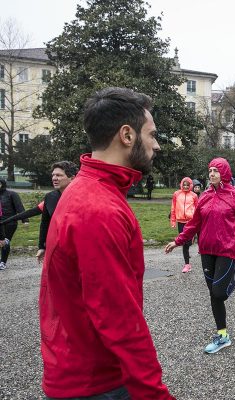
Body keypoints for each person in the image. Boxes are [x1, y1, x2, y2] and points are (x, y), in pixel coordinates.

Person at [40, 87, 174, 398]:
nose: (156, 144)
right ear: (127, 135)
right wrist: (155, 394)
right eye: (151, 134)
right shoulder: (98, 209)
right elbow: (118, 317)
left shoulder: (87, 191)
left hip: (79, 369)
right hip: (96, 383)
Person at [165, 157, 235, 354]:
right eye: (210, 170)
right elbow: (193, 224)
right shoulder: (204, 197)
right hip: (206, 250)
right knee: (214, 296)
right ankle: (222, 336)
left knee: (219, 293)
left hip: (227, 250)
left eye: (216, 170)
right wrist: (178, 241)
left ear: (224, 172)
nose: (212, 173)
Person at [36, 161, 79, 264]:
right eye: (53, 175)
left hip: (78, 249)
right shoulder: (50, 197)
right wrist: (42, 246)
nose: (54, 178)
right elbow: (45, 223)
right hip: (57, 250)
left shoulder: (81, 197)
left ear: (72, 178)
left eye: (59, 175)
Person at [170, 177, 198, 273]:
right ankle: (187, 264)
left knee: (188, 242)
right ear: (181, 184)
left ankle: (192, 237)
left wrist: (197, 221)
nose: (185, 186)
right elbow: (173, 208)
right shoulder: (176, 194)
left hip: (191, 222)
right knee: (184, 244)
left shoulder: (194, 195)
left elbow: (197, 209)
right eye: (184, 184)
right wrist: (173, 220)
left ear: (191, 185)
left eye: (187, 185)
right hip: (180, 221)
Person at [0, 178, 28, 270]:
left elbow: (19, 208)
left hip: (9, 223)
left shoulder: (12, 194)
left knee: (5, 242)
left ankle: (3, 262)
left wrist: (25, 220)